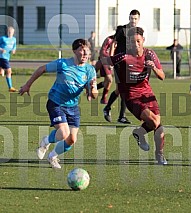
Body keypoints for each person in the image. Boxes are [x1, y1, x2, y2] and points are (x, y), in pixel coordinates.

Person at [19, 39, 98, 169]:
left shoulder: (90, 70)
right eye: (81, 50)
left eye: (87, 51)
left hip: (73, 107)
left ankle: (53, 156)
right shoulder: (63, 64)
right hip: (56, 103)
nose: (84, 54)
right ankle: (45, 142)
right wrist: (28, 85)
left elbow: (93, 96)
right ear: (74, 51)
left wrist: (92, 89)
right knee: (63, 133)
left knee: (71, 139)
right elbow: (41, 69)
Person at [101, 27, 167, 165]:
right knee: (155, 122)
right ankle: (148, 142)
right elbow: (105, 61)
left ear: (143, 40)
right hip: (132, 96)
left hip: (147, 93)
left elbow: (162, 76)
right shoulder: (123, 56)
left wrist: (153, 67)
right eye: (132, 42)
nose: (135, 44)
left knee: (158, 125)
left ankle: (153, 148)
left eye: (138, 41)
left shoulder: (150, 55)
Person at [103, 9, 140, 124]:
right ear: (129, 18)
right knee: (123, 89)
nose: (133, 20)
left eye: (135, 18)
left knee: (122, 89)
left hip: (131, 64)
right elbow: (114, 44)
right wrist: (111, 59)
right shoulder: (122, 29)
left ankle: (108, 108)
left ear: (138, 19)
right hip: (119, 63)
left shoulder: (138, 31)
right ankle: (120, 116)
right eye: (131, 18)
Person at [95, 35, 115, 104]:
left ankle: (103, 98)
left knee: (107, 81)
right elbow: (102, 52)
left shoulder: (121, 42)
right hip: (105, 61)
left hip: (111, 62)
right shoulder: (109, 40)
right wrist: (111, 58)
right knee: (109, 80)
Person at [0, 26, 17, 92]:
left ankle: (10, 87)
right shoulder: (2, 38)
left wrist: (13, 50)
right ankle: (10, 87)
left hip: (7, 57)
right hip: (2, 57)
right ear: (7, 32)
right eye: (9, 32)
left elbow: (14, 47)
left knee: (3, 72)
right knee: (9, 71)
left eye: (11, 32)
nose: (10, 33)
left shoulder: (14, 39)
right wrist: (1, 49)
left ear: (13, 33)